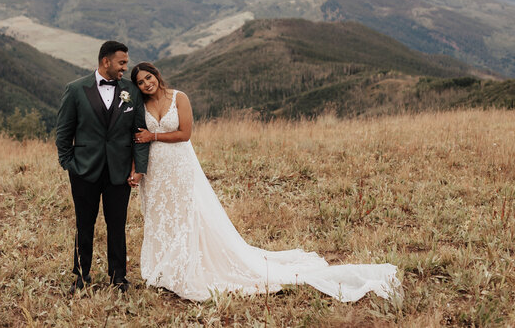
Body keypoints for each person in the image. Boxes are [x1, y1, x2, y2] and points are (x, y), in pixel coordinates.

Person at [130, 61, 401, 302]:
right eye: (140, 82)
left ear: (157, 75)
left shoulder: (179, 97)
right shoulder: (141, 105)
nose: (146, 84)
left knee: (189, 214)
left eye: (148, 78)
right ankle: (166, 265)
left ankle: (189, 265)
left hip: (180, 165)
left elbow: (185, 133)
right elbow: (135, 139)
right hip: (156, 170)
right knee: (163, 216)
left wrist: (152, 137)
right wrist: (137, 169)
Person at [56, 41, 150, 294]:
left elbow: (139, 132)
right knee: (83, 224)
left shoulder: (131, 91)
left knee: (117, 225)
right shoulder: (75, 90)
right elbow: (63, 133)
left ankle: (118, 278)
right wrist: (70, 164)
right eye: (121, 63)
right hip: (84, 170)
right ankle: (81, 276)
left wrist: (139, 168)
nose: (125, 68)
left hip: (119, 171)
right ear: (105, 61)